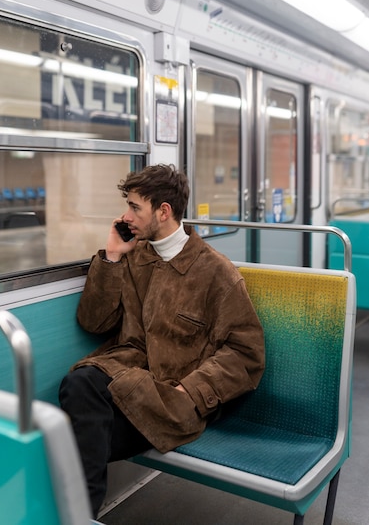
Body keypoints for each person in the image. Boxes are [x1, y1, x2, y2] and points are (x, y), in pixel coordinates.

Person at [59, 164, 265, 517]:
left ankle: (76, 516)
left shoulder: (215, 272)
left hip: (174, 397)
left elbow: (245, 353)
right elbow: (94, 322)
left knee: (77, 435)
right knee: (79, 386)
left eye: (135, 207)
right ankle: (80, 518)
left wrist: (191, 390)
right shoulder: (135, 257)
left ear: (163, 211)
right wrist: (110, 257)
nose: (126, 216)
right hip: (129, 379)